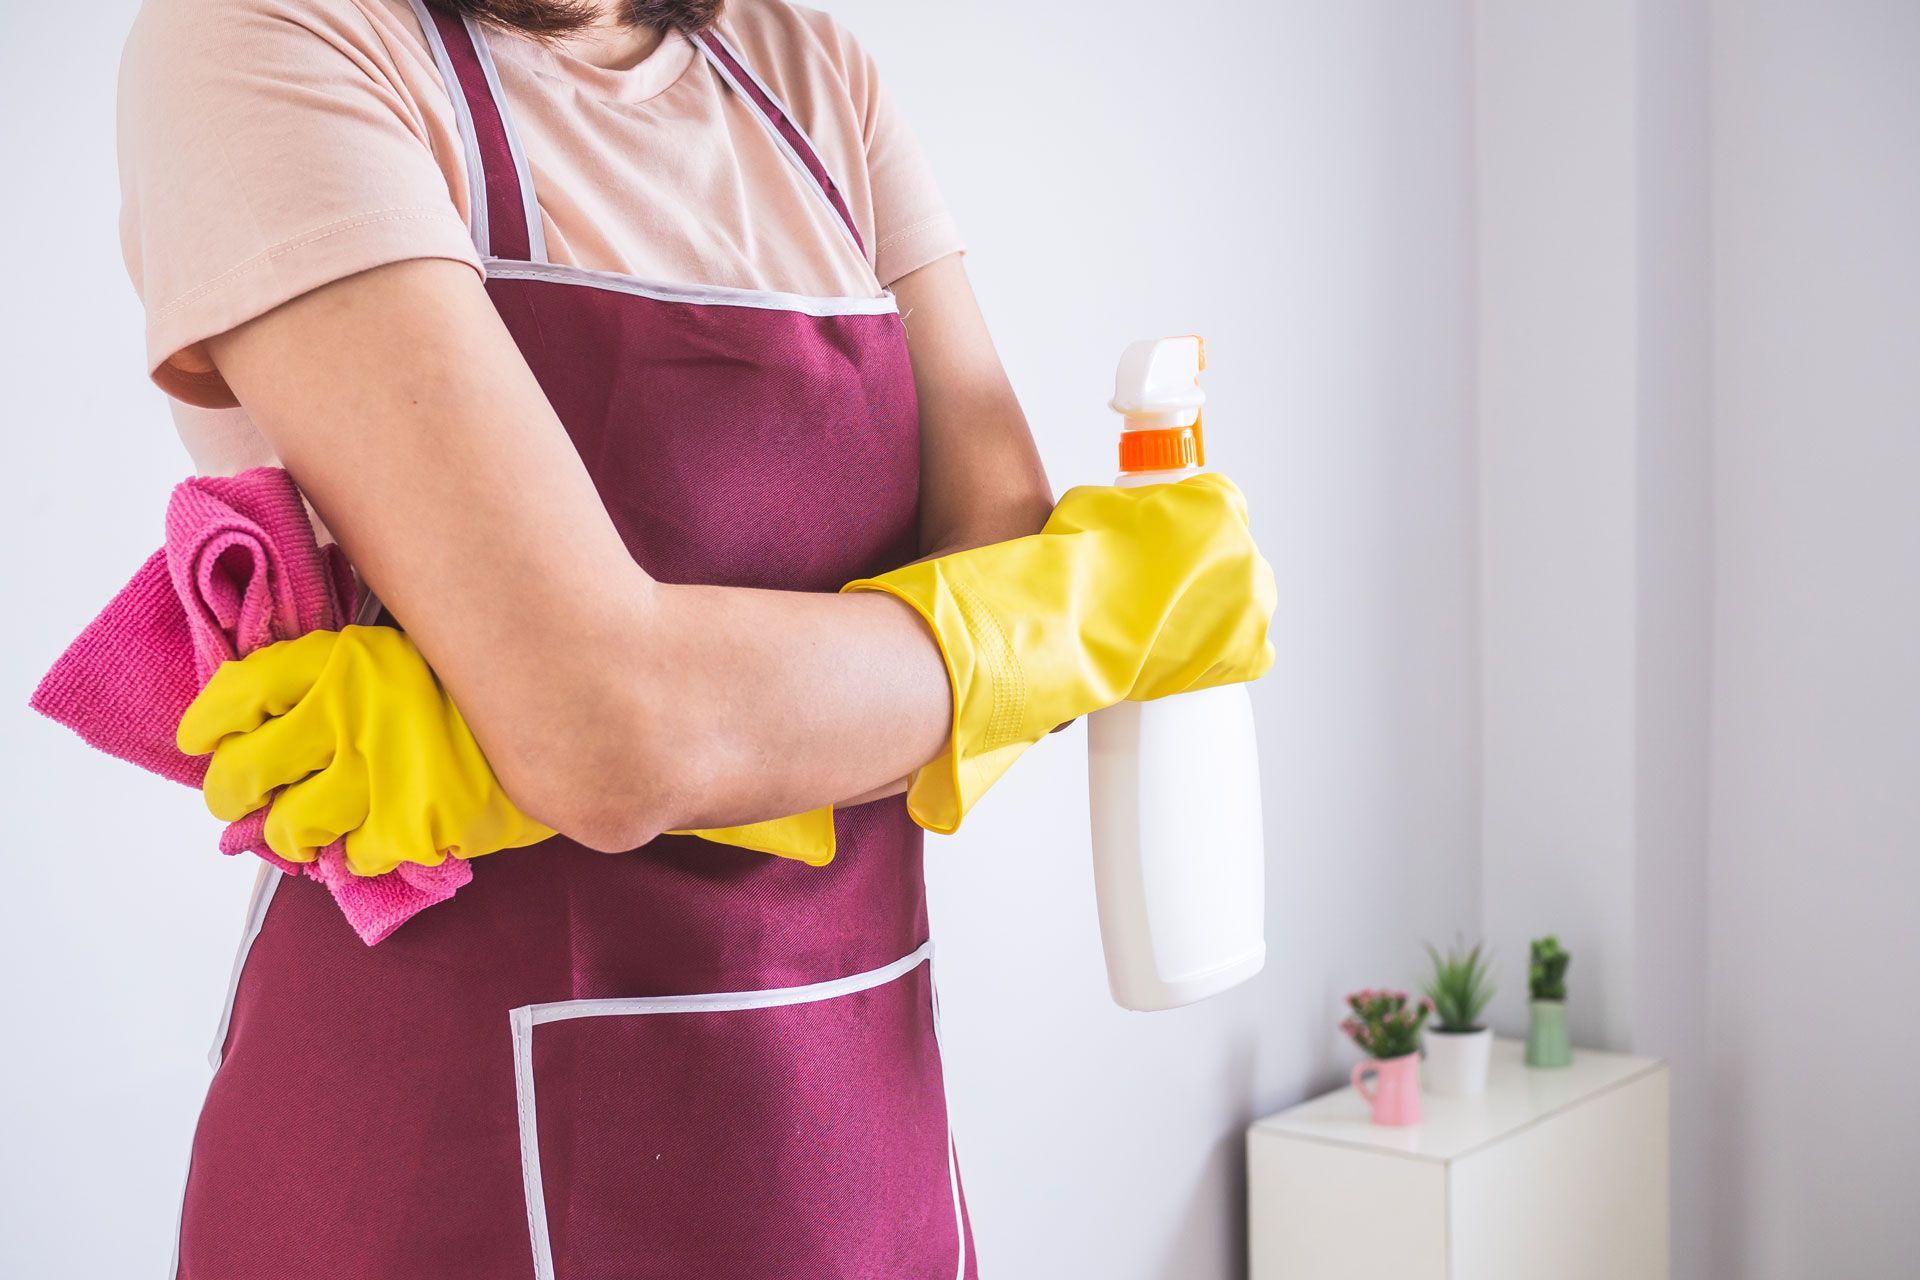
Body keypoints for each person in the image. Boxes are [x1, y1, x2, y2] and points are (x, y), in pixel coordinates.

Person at [119, 0, 1274, 1274]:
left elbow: (990, 540)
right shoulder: (277, 39)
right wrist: (1081, 618)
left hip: (848, 1138)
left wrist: (590, 733)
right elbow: (617, 729)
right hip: (438, 1161)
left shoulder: (807, 69)